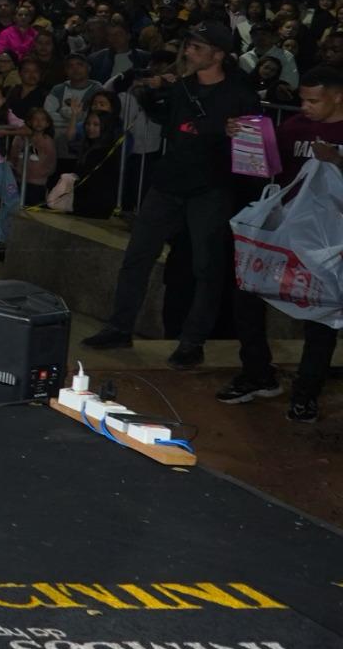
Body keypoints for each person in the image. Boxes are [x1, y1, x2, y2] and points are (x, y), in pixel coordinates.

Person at [82, 20, 260, 366]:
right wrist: (150, 92)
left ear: (219, 55)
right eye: (188, 46)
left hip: (210, 189)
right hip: (168, 184)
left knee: (206, 268)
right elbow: (166, 120)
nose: (188, 52)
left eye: (197, 48)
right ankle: (120, 327)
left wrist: (232, 134)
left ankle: (192, 342)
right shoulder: (182, 88)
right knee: (137, 257)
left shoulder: (240, 95)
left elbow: (255, 150)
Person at [226, 66, 343, 412]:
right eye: (302, 99)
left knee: (321, 315)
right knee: (247, 292)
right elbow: (265, 166)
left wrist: (337, 160)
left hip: (329, 240)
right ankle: (257, 372)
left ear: (338, 96)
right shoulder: (295, 128)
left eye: (313, 100)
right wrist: (243, 138)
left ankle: (306, 392)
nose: (304, 106)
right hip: (287, 231)